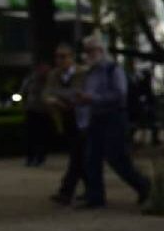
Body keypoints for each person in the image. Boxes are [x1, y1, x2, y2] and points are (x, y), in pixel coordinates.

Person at [74, 34, 151, 208]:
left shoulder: (113, 69)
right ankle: (95, 197)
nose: (87, 54)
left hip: (113, 117)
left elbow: (120, 94)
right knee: (91, 158)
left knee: (117, 157)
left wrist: (92, 98)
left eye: (91, 50)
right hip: (96, 117)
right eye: (86, 51)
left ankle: (142, 185)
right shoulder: (91, 72)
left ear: (100, 50)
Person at [44, 43, 88, 204]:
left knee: (77, 155)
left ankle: (66, 191)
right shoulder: (54, 75)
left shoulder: (82, 73)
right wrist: (54, 100)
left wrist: (64, 97)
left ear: (71, 58)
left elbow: (80, 94)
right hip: (65, 118)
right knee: (79, 156)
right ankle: (91, 189)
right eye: (57, 57)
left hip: (82, 119)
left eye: (63, 57)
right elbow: (47, 94)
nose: (59, 60)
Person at [18, 62, 53, 166]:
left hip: (45, 111)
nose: (44, 71)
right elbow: (23, 92)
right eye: (42, 69)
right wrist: (23, 105)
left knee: (42, 136)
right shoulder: (30, 80)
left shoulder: (50, 80)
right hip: (31, 110)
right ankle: (30, 158)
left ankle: (40, 158)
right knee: (30, 136)